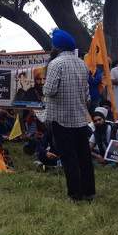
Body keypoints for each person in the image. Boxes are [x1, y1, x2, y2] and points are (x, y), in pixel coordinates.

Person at [43, 29, 95, 202]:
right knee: (84, 156)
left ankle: (75, 194)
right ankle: (89, 192)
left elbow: (50, 90)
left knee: (69, 157)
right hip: (80, 118)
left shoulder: (56, 64)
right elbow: (87, 94)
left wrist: (44, 88)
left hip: (61, 118)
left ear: (57, 46)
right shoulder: (82, 64)